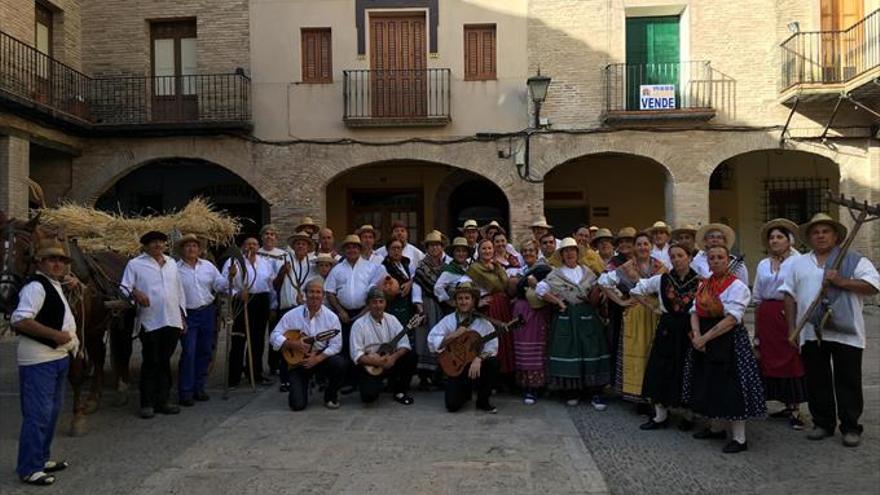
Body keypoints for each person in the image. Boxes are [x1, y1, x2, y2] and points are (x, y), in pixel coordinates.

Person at [781, 213, 879, 447]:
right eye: (816, 232)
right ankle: (823, 423)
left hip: (848, 332)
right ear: (809, 238)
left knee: (848, 380)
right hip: (810, 331)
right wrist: (791, 327)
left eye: (825, 231)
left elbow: (874, 286)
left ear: (835, 236)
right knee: (817, 380)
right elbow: (789, 295)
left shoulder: (854, 260)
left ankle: (850, 427)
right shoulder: (798, 263)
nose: (820, 235)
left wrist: (842, 282)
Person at [683, 244, 765, 454]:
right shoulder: (704, 285)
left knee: (732, 385)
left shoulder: (737, 286)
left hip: (728, 340)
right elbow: (694, 311)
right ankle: (716, 427)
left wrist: (705, 339)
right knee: (710, 381)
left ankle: (739, 438)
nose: (716, 261)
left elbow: (731, 319)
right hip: (705, 337)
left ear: (727, 260)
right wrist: (697, 336)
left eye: (720, 257)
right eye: (712, 258)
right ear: (708, 262)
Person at [12, 239, 79, 486]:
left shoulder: (53, 284)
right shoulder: (35, 287)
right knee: (37, 414)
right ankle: (29, 468)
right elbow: (20, 320)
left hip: (58, 357)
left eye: (61, 260)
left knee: (51, 413)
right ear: (40, 263)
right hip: (39, 360)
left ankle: (40, 458)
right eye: (52, 259)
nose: (57, 263)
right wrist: (56, 335)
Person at [631, 243, 699, 430]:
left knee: (687, 369)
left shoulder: (700, 281)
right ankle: (660, 416)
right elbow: (636, 290)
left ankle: (688, 415)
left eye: (681, 255)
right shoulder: (662, 279)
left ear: (690, 257)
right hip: (667, 329)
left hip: (689, 329)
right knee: (661, 368)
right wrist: (652, 307)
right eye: (673, 256)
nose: (677, 259)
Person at [537, 238, 610, 409]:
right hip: (566, 317)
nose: (570, 253)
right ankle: (572, 392)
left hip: (587, 316)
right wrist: (558, 301)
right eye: (566, 251)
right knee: (568, 351)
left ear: (577, 253)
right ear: (561, 255)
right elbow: (540, 289)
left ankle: (595, 393)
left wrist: (598, 295)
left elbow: (599, 292)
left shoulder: (588, 273)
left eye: (573, 250)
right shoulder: (555, 274)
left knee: (591, 350)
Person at [121, 231, 186, 418]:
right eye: (153, 243)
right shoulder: (135, 264)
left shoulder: (172, 263)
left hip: (172, 319)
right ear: (145, 246)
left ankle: (163, 401)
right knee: (151, 360)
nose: (158, 245)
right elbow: (123, 287)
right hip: (150, 320)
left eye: (161, 242)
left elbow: (179, 289)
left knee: (165, 361)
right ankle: (147, 403)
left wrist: (182, 315)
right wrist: (135, 293)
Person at [599, 231, 666, 406]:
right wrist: (621, 302)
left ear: (651, 246)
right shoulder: (627, 267)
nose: (642, 247)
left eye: (646, 244)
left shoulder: (660, 266)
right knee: (636, 353)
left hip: (653, 313)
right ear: (634, 248)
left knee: (652, 353)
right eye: (639, 244)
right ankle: (636, 395)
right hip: (635, 313)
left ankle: (652, 394)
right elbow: (603, 283)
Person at [752, 219, 806, 429]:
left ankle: (795, 410)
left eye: (779, 237)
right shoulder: (763, 264)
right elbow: (757, 296)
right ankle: (783, 404)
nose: (774, 241)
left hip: (789, 315)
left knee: (792, 358)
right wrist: (756, 330)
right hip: (767, 315)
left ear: (789, 240)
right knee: (768, 357)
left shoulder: (798, 261)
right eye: (772, 237)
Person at [269, 279, 346, 410]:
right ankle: (303, 385)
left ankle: (330, 396)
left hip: (321, 359)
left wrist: (317, 359)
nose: (315, 295)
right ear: (305, 294)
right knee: (297, 405)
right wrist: (293, 344)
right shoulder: (292, 315)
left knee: (339, 363)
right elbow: (273, 336)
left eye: (318, 292)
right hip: (298, 362)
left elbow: (336, 345)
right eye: (311, 292)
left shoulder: (332, 318)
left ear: (323, 296)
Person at [324, 234, 386, 389]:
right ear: (344, 250)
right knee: (345, 346)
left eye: (355, 247)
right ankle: (347, 381)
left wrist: (366, 310)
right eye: (349, 247)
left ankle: (363, 380)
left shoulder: (371, 267)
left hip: (365, 311)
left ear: (360, 249)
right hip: (344, 314)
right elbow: (329, 292)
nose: (352, 249)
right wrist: (340, 311)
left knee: (363, 346)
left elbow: (377, 290)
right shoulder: (337, 269)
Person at [428, 282, 499, 414]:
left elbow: (492, 346)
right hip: (456, 365)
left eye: (467, 298)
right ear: (456, 301)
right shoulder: (448, 320)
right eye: (460, 298)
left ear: (473, 301)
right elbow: (432, 340)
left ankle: (483, 401)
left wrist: (479, 358)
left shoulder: (483, 322)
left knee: (492, 363)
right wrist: (454, 335)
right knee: (452, 406)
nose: (463, 302)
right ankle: (465, 391)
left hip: (476, 367)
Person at [175, 234, 226, 406]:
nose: (191, 248)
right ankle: (186, 391)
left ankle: (199, 387)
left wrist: (229, 279)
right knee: (189, 352)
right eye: (188, 246)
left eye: (194, 246)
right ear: (182, 250)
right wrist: (180, 316)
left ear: (199, 249)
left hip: (207, 312)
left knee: (205, 351)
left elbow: (219, 284)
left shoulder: (208, 267)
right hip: (188, 314)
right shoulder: (175, 269)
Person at [221, 237, 275, 388]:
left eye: (254, 244)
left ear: (259, 247)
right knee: (239, 338)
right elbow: (224, 284)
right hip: (242, 300)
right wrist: (237, 293)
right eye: (248, 243)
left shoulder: (265, 263)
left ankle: (255, 373)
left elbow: (270, 286)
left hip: (261, 300)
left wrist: (272, 305)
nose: (251, 246)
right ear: (243, 246)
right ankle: (234, 377)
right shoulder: (235, 262)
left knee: (257, 340)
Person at [350, 287, 417, 405]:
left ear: (385, 303)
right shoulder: (359, 324)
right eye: (374, 302)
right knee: (368, 398)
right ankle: (376, 384)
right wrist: (378, 362)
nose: (378, 305)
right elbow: (357, 355)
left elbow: (404, 345)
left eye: (381, 302)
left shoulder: (392, 320)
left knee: (411, 356)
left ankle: (399, 390)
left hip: (390, 361)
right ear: (368, 304)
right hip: (370, 366)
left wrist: (393, 358)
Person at [465, 238, 515, 378]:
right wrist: (477, 301)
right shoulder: (474, 269)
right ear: (478, 251)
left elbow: (505, 285)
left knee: (505, 339)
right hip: (489, 308)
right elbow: (464, 287)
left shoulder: (497, 267)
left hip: (502, 305)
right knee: (492, 340)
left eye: (489, 248)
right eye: (484, 248)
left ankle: (506, 376)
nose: (487, 251)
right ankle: (491, 377)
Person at [275, 231, 318, 392]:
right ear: (293, 246)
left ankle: (307, 376)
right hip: (288, 308)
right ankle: (285, 379)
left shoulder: (312, 264)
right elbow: (275, 285)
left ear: (308, 247)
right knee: (286, 344)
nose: (301, 246)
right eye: (298, 243)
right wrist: (282, 273)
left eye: (304, 244)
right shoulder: (285, 261)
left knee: (305, 343)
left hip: (306, 309)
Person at [510, 239, 552, 404]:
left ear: (537, 252)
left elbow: (551, 288)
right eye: (525, 251)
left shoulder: (545, 269)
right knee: (523, 346)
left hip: (539, 311)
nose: (528, 253)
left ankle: (540, 385)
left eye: (531, 251)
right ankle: (527, 386)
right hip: (522, 310)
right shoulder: (520, 271)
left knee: (540, 347)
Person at [413, 230, 451, 388]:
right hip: (427, 305)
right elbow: (416, 286)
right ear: (427, 248)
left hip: (443, 306)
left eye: (437, 245)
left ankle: (439, 375)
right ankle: (424, 377)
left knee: (442, 339)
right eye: (431, 246)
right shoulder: (421, 266)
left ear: (442, 247)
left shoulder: (447, 266)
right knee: (424, 339)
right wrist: (419, 308)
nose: (434, 248)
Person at [257, 224, 287, 377]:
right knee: (259, 334)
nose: (269, 236)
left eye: (272, 234)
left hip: (279, 298)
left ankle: (274, 365)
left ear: (276, 238)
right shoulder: (256, 253)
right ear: (262, 237)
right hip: (260, 298)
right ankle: (256, 368)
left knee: (275, 334)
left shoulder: (283, 255)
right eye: (266, 234)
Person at [435, 237, 472, 308]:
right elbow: (438, 287)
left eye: (464, 251)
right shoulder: (449, 270)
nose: (461, 254)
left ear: (467, 253)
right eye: (458, 251)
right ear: (453, 253)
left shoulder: (470, 268)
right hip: (455, 309)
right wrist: (450, 301)